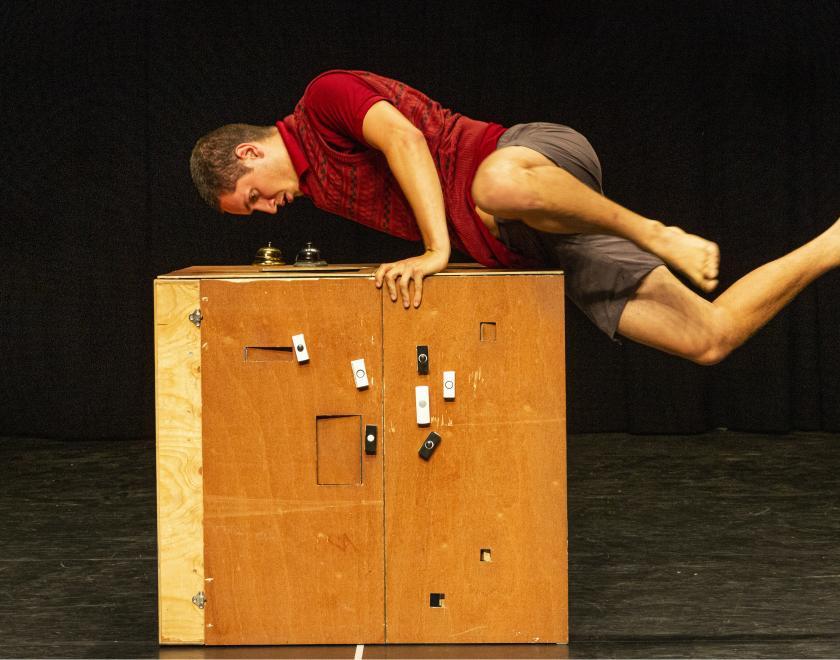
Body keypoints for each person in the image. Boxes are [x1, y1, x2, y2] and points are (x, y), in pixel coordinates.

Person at [190, 69, 839, 365]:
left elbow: (407, 142)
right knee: (708, 338)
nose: (268, 210)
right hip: (530, 240)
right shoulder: (317, 188)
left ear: (250, 152)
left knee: (493, 184)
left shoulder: (323, 97)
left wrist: (435, 252)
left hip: (529, 164)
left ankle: (652, 230)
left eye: (254, 197)